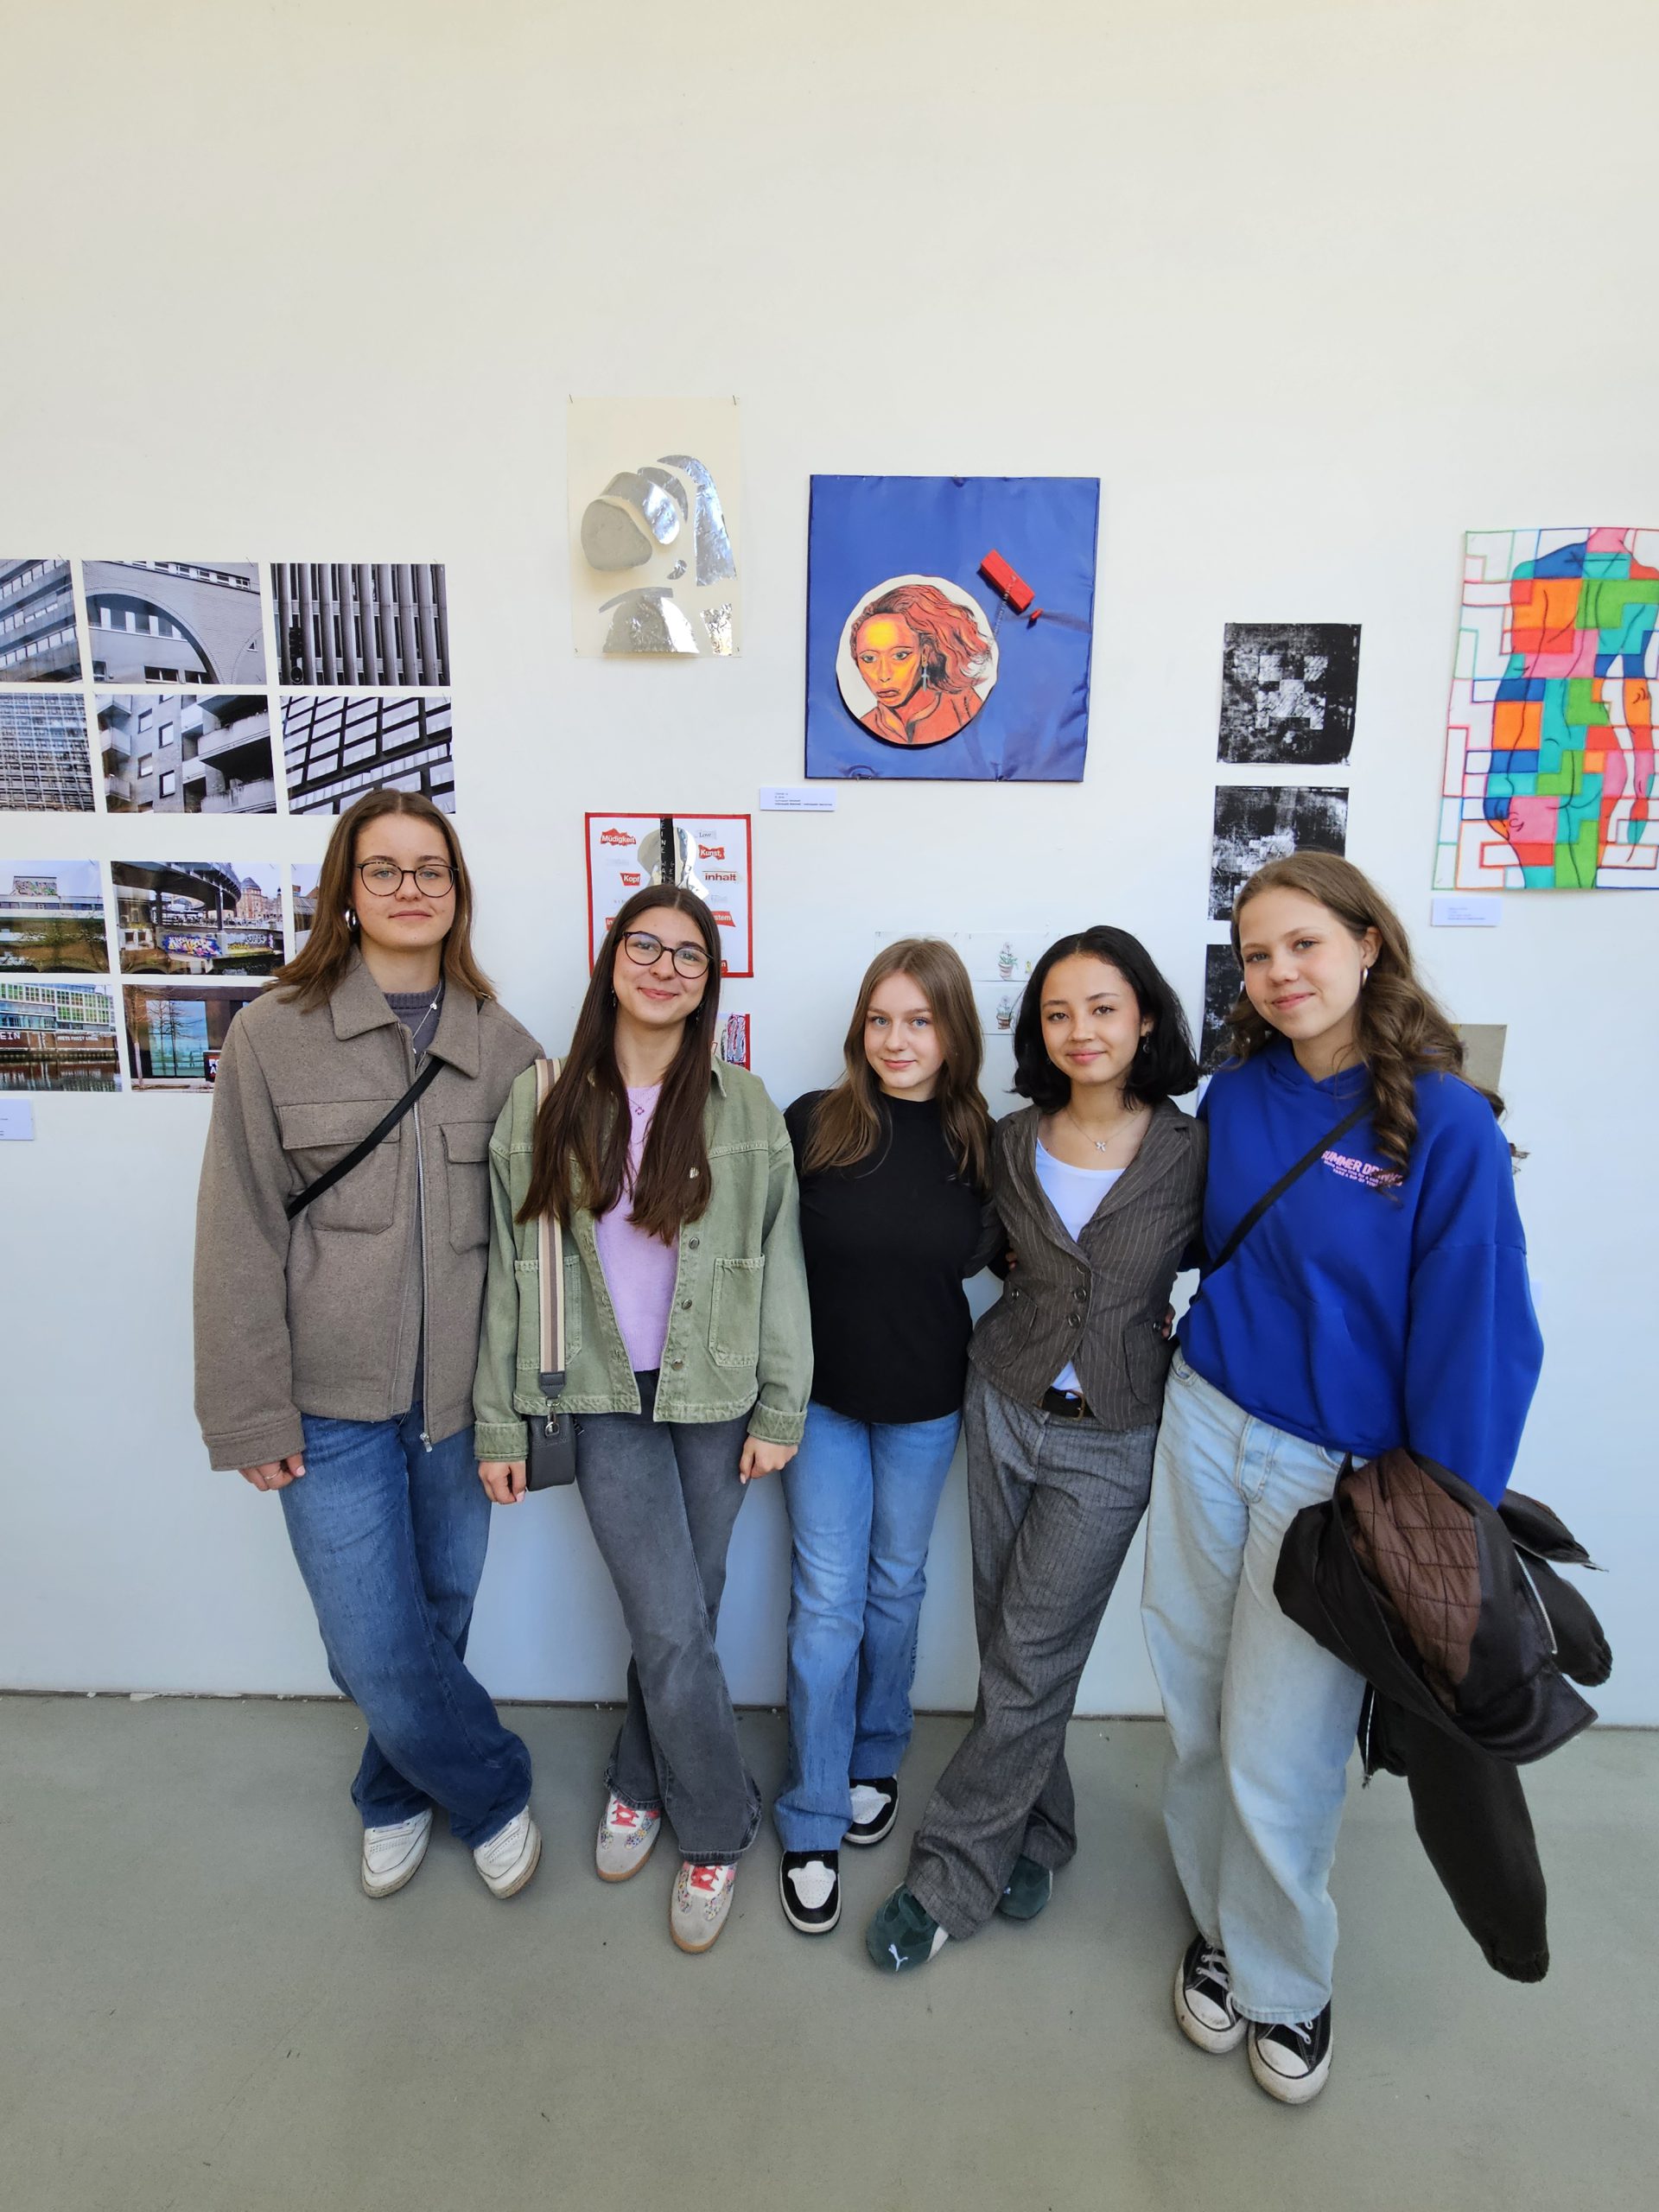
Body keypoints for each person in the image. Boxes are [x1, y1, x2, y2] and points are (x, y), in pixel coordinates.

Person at [1142, 852, 1543, 2106]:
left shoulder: (1448, 1123)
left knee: (1286, 1740)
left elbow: (1482, 1334)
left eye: (1304, 944)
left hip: (1333, 1481)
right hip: (1205, 1424)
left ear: (1369, 945)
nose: (1279, 973)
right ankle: (1219, 1923)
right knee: (1197, 1701)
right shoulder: (1235, 1095)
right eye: (1257, 954)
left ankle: (1283, 1981)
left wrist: (1442, 1515)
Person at [192, 791, 543, 1903]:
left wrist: (522, 1407)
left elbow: (535, 1247)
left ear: (457, 892)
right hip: (328, 1403)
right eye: (383, 869)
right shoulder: (273, 1033)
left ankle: (393, 1794)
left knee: (438, 1617)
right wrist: (249, 1409)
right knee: (371, 1645)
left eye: (431, 869)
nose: (409, 889)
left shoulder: (506, 1047)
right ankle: (492, 1785)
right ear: (346, 889)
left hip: (460, 1406)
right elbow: (238, 1230)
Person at [473, 886, 810, 1955]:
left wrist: (783, 1402)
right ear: (612, 959)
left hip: (715, 1390)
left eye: (690, 954)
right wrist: (499, 1423)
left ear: (709, 983)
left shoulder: (744, 1104)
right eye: (646, 945)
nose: (666, 967)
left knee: (687, 1614)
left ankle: (636, 1774)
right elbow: (510, 1276)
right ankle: (718, 1825)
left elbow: (781, 1262)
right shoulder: (542, 1100)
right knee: (669, 1621)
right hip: (602, 1394)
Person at [868, 926, 1205, 1971]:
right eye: (1058, 1012)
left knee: (1029, 1655)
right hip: (1003, 1401)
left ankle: (948, 1874)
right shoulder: (1011, 1140)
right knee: (1008, 1637)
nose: (1080, 1030)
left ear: (1144, 1017)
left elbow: (1241, 1260)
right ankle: (1043, 1828)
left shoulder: (1191, 1149)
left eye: (1103, 1008)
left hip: (1114, 1429)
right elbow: (970, 1245)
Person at [774, 939, 996, 1936]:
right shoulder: (812, 1124)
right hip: (819, 1403)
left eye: (919, 1020)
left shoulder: (982, 1143)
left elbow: (1015, 1258)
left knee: (896, 1586)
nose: (896, 1040)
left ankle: (876, 1753)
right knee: (827, 1604)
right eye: (880, 1019)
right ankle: (814, 1810)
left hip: (927, 1403)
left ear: (954, 1032)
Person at [849, 582, 991, 747]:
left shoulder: (965, 706)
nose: (883, 675)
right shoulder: (864, 728)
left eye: (900, 655)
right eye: (869, 659)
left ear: (925, 653)